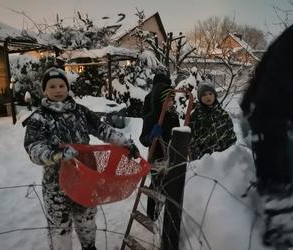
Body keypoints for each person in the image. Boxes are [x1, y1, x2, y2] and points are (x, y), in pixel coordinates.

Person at [23, 67, 139, 250]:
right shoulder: (39, 118)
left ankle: (89, 247)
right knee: (59, 224)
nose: (58, 89)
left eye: (61, 85)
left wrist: (125, 142)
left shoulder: (81, 112)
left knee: (86, 218)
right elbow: (34, 147)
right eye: (52, 86)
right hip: (56, 181)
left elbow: (103, 130)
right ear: (44, 90)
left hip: (85, 177)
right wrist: (55, 155)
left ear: (68, 88)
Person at [240, 25, 293, 250]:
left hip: (262, 116)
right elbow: (277, 89)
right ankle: (281, 232)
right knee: (279, 190)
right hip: (270, 121)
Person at [139, 82, 180, 220]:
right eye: (168, 99)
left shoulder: (173, 117)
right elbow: (142, 140)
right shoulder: (151, 117)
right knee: (157, 185)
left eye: (173, 99)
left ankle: (165, 215)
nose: (171, 103)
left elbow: (176, 135)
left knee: (170, 187)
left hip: (170, 156)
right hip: (156, 157)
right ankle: (152, 216)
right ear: (160, 100)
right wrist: (151, 137)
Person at [189, 81, 236, 160]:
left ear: (215, 95)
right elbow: (191, 143)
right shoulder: (194, 117)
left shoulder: (223, 114)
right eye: (204, 95)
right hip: (205, 162)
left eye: (210, 94)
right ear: (200, 97)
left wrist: (230, 156)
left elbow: (231, 137)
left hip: (225, 160)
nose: (208, 97)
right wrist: (200, 160)